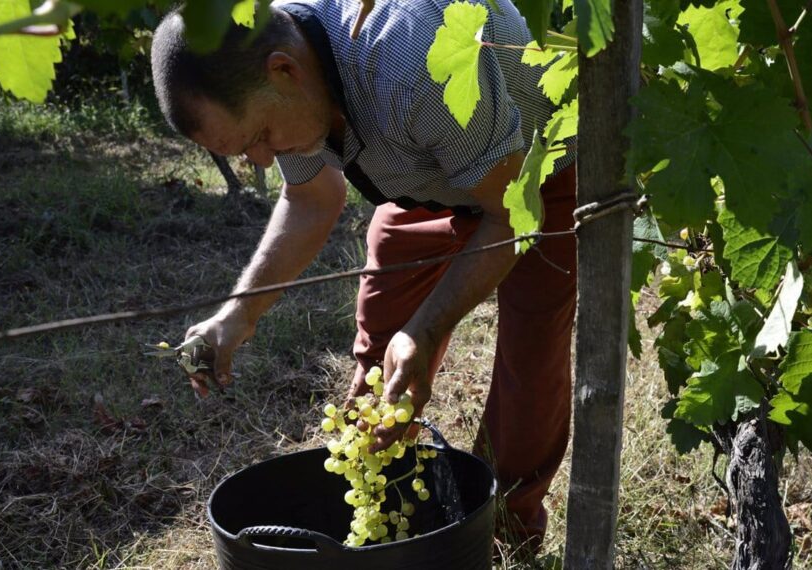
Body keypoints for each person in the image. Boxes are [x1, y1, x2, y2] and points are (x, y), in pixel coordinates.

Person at [151, 0, 577, 551]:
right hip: (427, 170)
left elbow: (511, 215)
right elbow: (310, 198)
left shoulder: (410, 63)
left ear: (284, 70)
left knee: (530, 355)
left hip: (534, 176)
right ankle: (384, 515)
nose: (261, 159)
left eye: (260, 136)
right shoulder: (284, 61)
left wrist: (426, 330)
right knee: (382, 356)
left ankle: (503, 536)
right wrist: (238, 314)